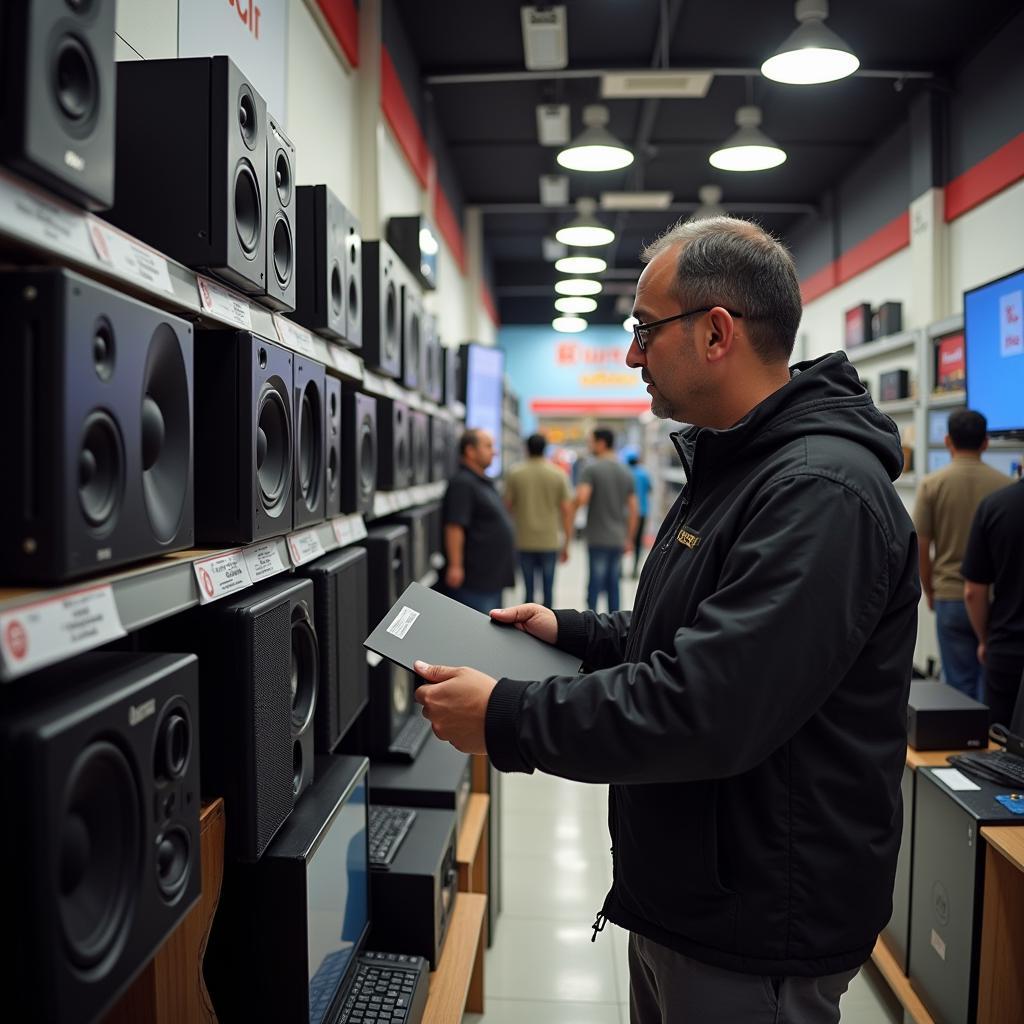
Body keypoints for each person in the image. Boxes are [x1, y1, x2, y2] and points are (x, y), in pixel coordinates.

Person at [412, 216, 919, 1024]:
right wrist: (571, 631)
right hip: (695, 893)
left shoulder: (821, 493)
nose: (632, 354)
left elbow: (707, 704)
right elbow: (692, 631)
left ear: (717, 332)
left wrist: (507, 716)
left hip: (755, 922)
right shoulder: (739, 464)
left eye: (646, 330)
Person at [912, 409, 1009, 699]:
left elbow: (920, 546)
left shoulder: (932, 485)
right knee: (992, 686)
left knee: (957, 690)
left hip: (949, 596)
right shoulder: (1005, 486)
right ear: (986, 443)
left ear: (948, 441)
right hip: (994, 601)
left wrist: (930, 590)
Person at [962, 476, 1024, 726]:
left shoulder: (996, 506)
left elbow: (973, 592)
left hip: (1008, 648)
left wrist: (984, 640)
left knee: (1000, 744)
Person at [440, 428, 516, 614]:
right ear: (470, 450)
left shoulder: (480, 481)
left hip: (491, 578)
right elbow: (454, 526)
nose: (494, 451)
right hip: (475, 580)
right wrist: (455, 566)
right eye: (488, 446)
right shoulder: (463, 483)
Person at [504, 432, 574, 608]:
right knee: (548, 590)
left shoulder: (515, 473)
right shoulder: (558, 474)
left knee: (527, 591)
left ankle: (526, 629)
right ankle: (547, 629)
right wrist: (566, 542)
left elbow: (507, 506)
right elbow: (567, 511)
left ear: (526, 449)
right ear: (545, 449)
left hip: (523, 540)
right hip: (549, 541)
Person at [576, 428, 638, 612]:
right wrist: (630, 538)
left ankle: (589, 623)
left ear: (601, 443)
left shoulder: (591, 469)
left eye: (591, 441)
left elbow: (582, 499)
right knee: (614, 584)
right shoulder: (626, 470)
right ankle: (614, 625)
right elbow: (634, 509)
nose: (589, 445)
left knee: (594, 583)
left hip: (597, 537)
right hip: (618, 538)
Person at [626, 452, 652, 577]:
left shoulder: (626, 473)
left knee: (625, 539)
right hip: (642, 511)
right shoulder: (643, 473)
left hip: (627, 513)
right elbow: (650, 489)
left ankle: (619, 569)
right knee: (638, 542)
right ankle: (635, 570)